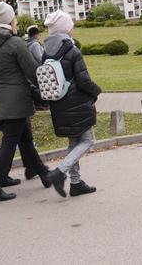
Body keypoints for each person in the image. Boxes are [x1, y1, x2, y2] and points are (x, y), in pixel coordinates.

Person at [0, 2, 50, 203]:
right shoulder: (16, 43)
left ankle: (42, 172)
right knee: (10, 142)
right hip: (17, 98)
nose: (16, 20)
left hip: (0, 96)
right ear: (9, 20)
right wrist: (50, 90)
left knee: (24, 138)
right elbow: (33, 71)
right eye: (14, 17)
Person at [43, 10, 102, 198]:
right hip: (77, 103)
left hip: (59, 104)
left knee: (73, 141)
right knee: (88, 140)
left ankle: (76, 184)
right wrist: (97, 91)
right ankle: (59, 172)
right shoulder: (72, 50)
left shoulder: (46, 52)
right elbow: (84, 80)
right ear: (67, 29)